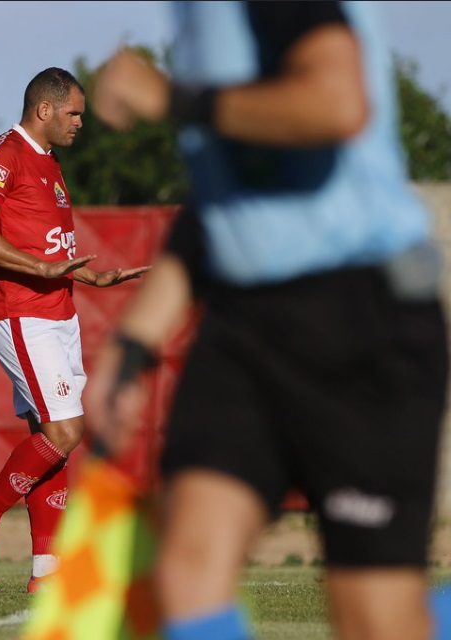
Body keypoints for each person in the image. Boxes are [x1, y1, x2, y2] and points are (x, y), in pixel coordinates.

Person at [82, 2, 451, 639]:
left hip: (358, 320)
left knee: (378, 623)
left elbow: (335, 103)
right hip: (244, 327)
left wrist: (172, 98)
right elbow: (225, 200)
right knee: (184, 577)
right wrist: (135, 343)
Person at [0, 66, 151, 593]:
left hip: (58, 312)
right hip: (20, 310)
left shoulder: (50, 163)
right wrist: (38, 270)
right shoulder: (3, 156)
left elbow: (51, 253)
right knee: (66, 430)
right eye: (74, 113)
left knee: (52, 437)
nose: (80, 123)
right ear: (45, 109)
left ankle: (47, 573)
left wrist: (93, 274)